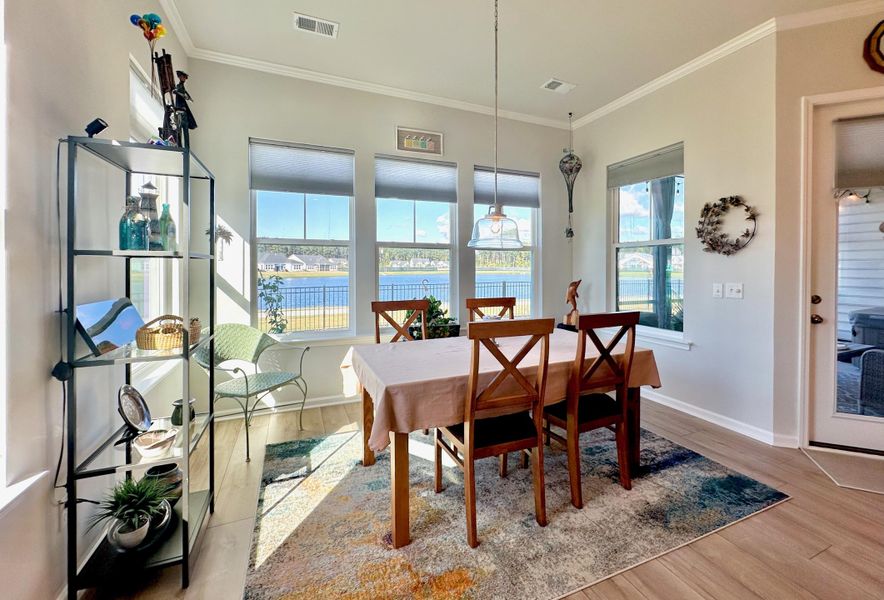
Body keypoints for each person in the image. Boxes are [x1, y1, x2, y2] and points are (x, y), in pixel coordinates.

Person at [173, 70, 197, 147]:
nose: (185, 79)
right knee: (180, 130)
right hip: (180, 111)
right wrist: (183, 96)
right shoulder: (179, 85)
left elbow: (185, 92)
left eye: (185, 78)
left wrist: (189, 98)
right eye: (183, 77)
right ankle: (180, 146)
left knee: (185, 132)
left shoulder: (182, 86)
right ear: (180, 77)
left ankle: (187, 148)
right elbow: (176, 91)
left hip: (184, 112)